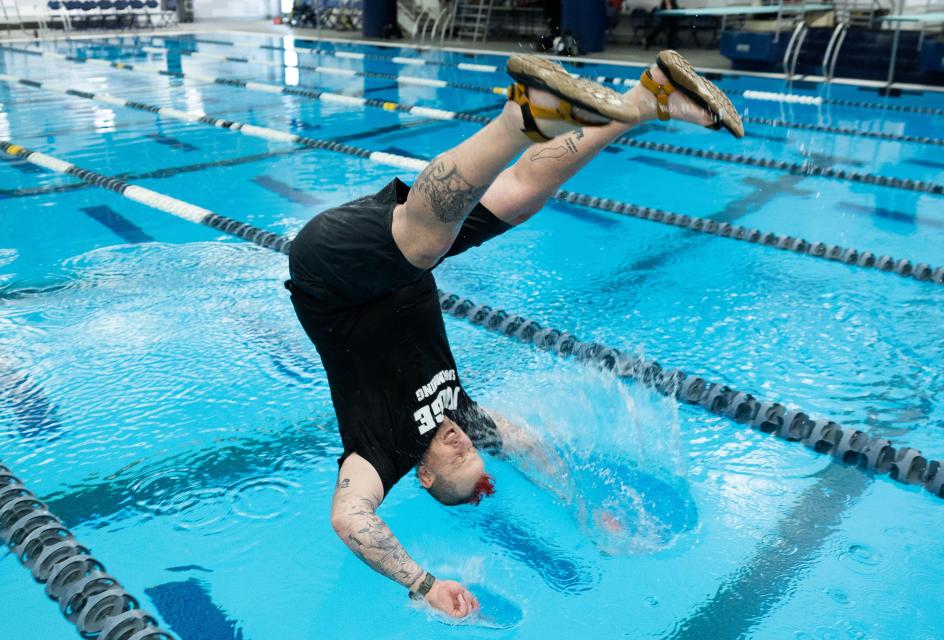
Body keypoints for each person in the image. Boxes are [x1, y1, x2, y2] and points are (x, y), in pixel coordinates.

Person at [285, 51, 742, 619]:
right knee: (520, 196)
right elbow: (526, 448)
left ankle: (520, 115)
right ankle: (646, 99)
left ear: (423, 476)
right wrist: (579, 506)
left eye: (458, 460)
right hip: (402, 262)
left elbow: (349, 518)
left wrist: (424, 585)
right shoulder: (460, 417)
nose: (464, 442)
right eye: (474, 451)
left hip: (328, 274)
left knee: (422, 245)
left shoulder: (382, 450)